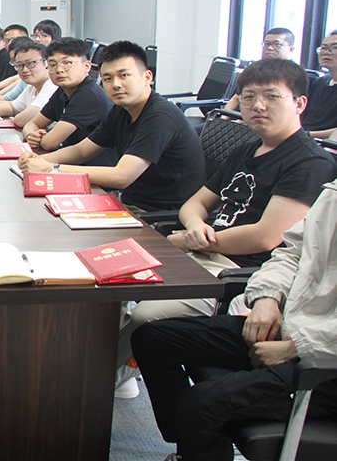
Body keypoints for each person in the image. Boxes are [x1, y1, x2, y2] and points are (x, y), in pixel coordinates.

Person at [115, 59, 337, 392]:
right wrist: (194, 227)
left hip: (236, 270)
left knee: (145, 317)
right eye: (248, 97)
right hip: (201, 249)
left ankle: (95, 381)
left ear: (299, 103)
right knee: (108, 279)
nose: (258, 106)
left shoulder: (310, 162)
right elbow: (195, 204)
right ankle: (107, 368)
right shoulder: (247, 148)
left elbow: (265, 238)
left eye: (271, 96)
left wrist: (194, 241)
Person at [132, 178, 337, 461]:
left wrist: (297, 347)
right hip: (294, 330)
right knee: (153, 338)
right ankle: (191, 445)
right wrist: (267, 297)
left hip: (324, 363)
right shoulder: (333, 194)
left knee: (200, 404)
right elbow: (291, 254)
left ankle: (194, 438)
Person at [18, 40, 204, 212]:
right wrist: (38, 160)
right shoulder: (121, 110)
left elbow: (122, 177)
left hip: (158, 213)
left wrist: (52, 169)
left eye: (124, 75)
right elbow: (81, 151)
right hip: (130, 201)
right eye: (107, 79)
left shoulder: (160, 117)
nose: (116, 84)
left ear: (147, 77)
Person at [20, 37, 116, 164]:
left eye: (67, 63)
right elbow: (32, 123)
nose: (59, 70)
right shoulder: (63, 90)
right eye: (53, 65)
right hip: (72, 162)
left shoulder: (89, 95)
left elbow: (50, 143)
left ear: (87, 66)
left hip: (96, 169)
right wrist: (31, 135)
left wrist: (39, 138)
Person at [0, 39, 57, 127]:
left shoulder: (52, 85)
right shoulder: (32, 86)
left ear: (47, 63)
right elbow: (13, 107)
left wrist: (16, 118)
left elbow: (23, 119)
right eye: (19, 65)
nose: (25, 69)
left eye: (31, 63)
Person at [299, 30, 337, 138]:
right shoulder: (319, 81)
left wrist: (307, 135)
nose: (326, 52)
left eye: (335, 47)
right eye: (323, 48)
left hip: (324, 142)